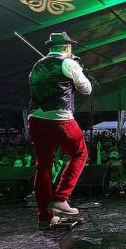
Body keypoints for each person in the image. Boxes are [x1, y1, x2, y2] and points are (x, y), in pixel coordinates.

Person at [28, 32, 92, 230]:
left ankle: (45, 217)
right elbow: (87, 89)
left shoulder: (37, 65)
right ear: (66, 47)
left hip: (36, 119)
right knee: (80, 153)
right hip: (60, 119)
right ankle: (61, 197)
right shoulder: (68, 63)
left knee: (43, 167)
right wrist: (77, 67)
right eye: (70, 46)